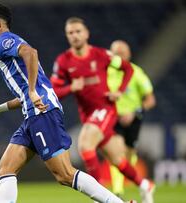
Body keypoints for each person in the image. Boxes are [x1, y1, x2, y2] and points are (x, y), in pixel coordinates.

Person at [0, 3, 136, 203]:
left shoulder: (3, 40)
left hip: (41, 113)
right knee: (5, 168)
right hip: (33, 113)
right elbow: (28, 92)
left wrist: (32, 91)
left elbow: (31, 53)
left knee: (65, 174)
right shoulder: (9, 45)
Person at [50, 17, 155, 203]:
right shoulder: (64, 61)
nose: (75, 36)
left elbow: (127, 68)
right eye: (70, 33)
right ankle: (145, 185)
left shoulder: (102, 55)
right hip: (88, 115)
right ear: (67, 36)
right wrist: (70, 88)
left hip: (105, 109)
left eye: (78, 31)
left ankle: (100, 198)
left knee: (84, 145)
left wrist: (119, 92)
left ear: (86, 33)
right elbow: (53, 90)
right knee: (118, 160)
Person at [107, 40, 156, 196]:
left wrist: (134, 112)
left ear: (129, 54)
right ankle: (118, 191)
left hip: (133, 119)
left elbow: (150, 100)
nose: (119, 56)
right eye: (116, 53)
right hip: (113, 119)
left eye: (122, 53)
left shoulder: (136, 72)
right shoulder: (106, 72)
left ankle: (138, 184)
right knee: (117, 152)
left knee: (129, 154)